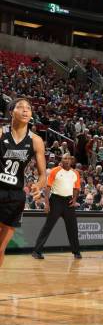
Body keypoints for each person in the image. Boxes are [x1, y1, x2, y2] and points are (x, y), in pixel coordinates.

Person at [0, 98, 46, 266]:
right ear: (11, 112)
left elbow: (43, 176)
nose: (26, 110)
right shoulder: (1, 133)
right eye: (21, 107)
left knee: (0, 248)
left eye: (29, 108)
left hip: (16, 195)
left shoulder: (36, 141)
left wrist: (38, 186)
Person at [32, 153, 82, 259]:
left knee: (73, 228)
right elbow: (48, 188)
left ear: (71, 160)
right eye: (64, 158)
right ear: (61, 160)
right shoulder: (55, 171)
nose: (67, 160)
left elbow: (77, 188)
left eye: (68, 158)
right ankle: (36, 251)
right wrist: (47, 203)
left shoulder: (75, 173)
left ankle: (76, 252)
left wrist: (74, 199)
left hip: (68, 201)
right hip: (56, 200)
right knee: (48, 226)